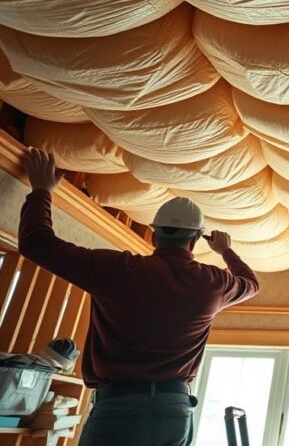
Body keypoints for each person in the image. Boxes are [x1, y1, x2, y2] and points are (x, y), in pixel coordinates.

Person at [18, 147, 260, 446]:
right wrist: (225, 250)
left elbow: (37, 245)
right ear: (196, 239)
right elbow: (250, 282)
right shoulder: (212, 283)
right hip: (174, 409)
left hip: (119, 404)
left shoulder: (117, 269)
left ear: (155, 235)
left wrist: (41, 189)